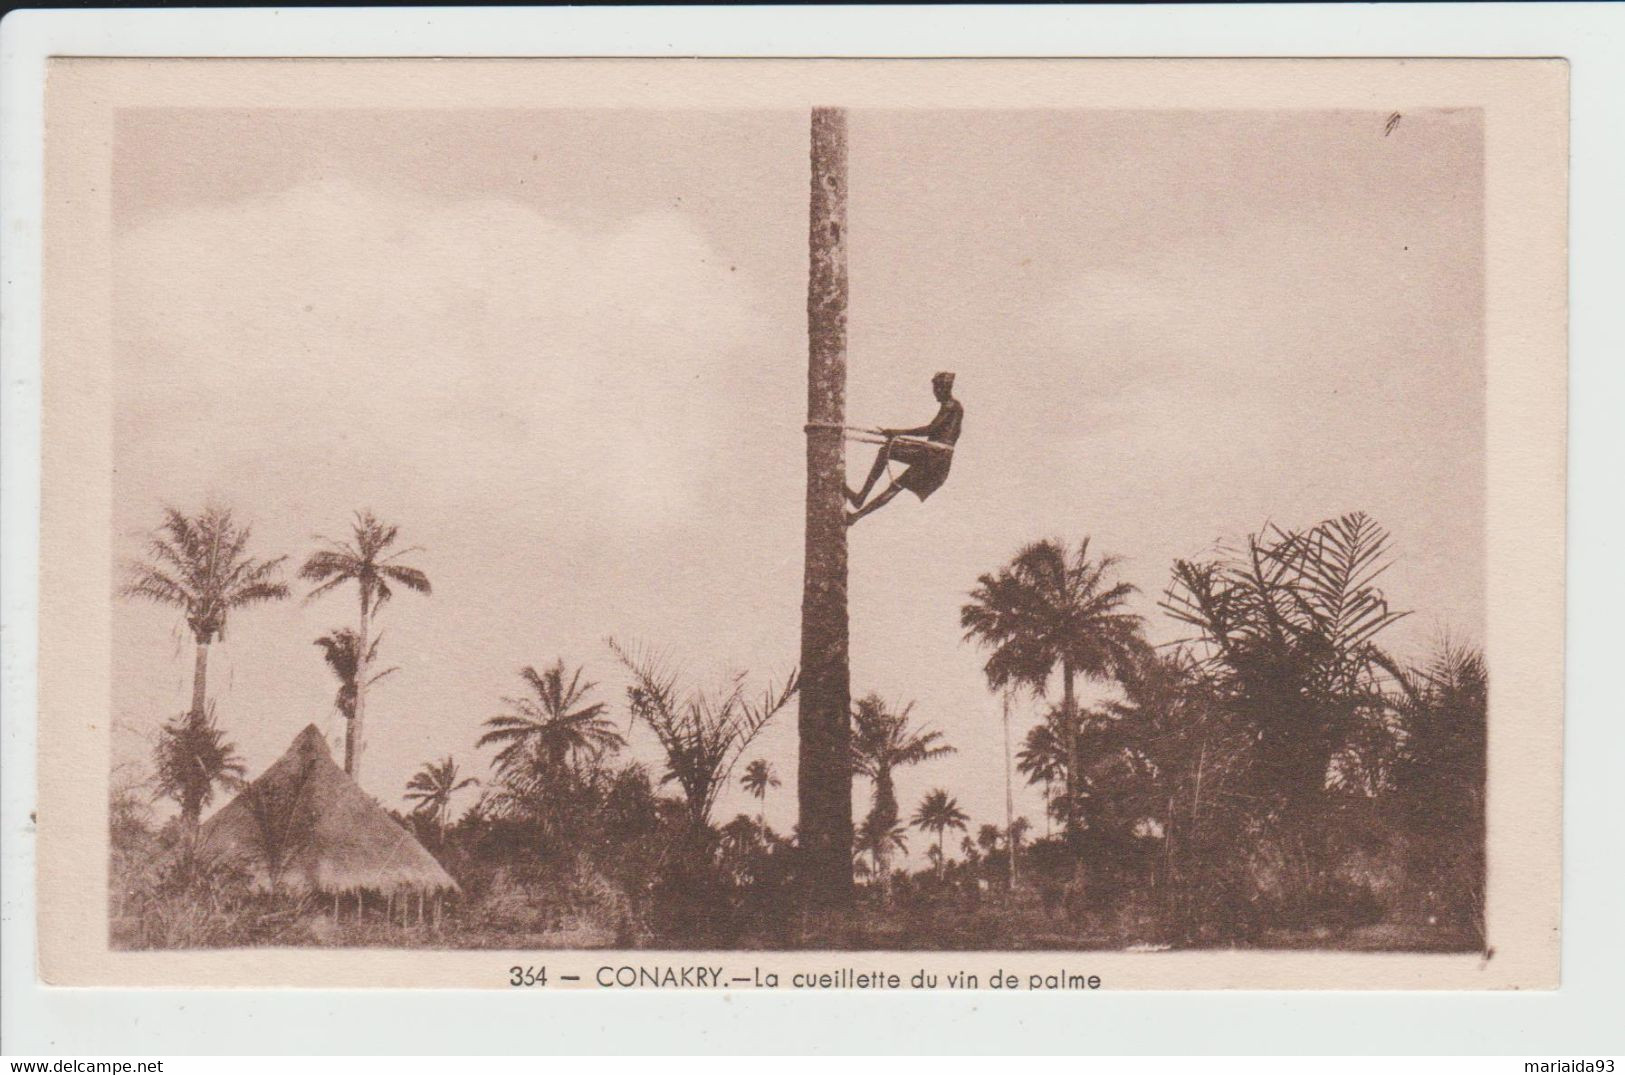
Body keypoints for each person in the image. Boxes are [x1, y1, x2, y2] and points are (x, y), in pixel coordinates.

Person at [846, 371, 964, 526]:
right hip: (940, 460)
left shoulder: (951, 406)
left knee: (885, 451)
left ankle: (860, 497)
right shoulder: (953, 407)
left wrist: (898, 432)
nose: (935, 393)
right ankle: (856, 516)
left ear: (944, 388)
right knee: (895, 487)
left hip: (934, 454)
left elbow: (930, 430)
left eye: (937, 389)